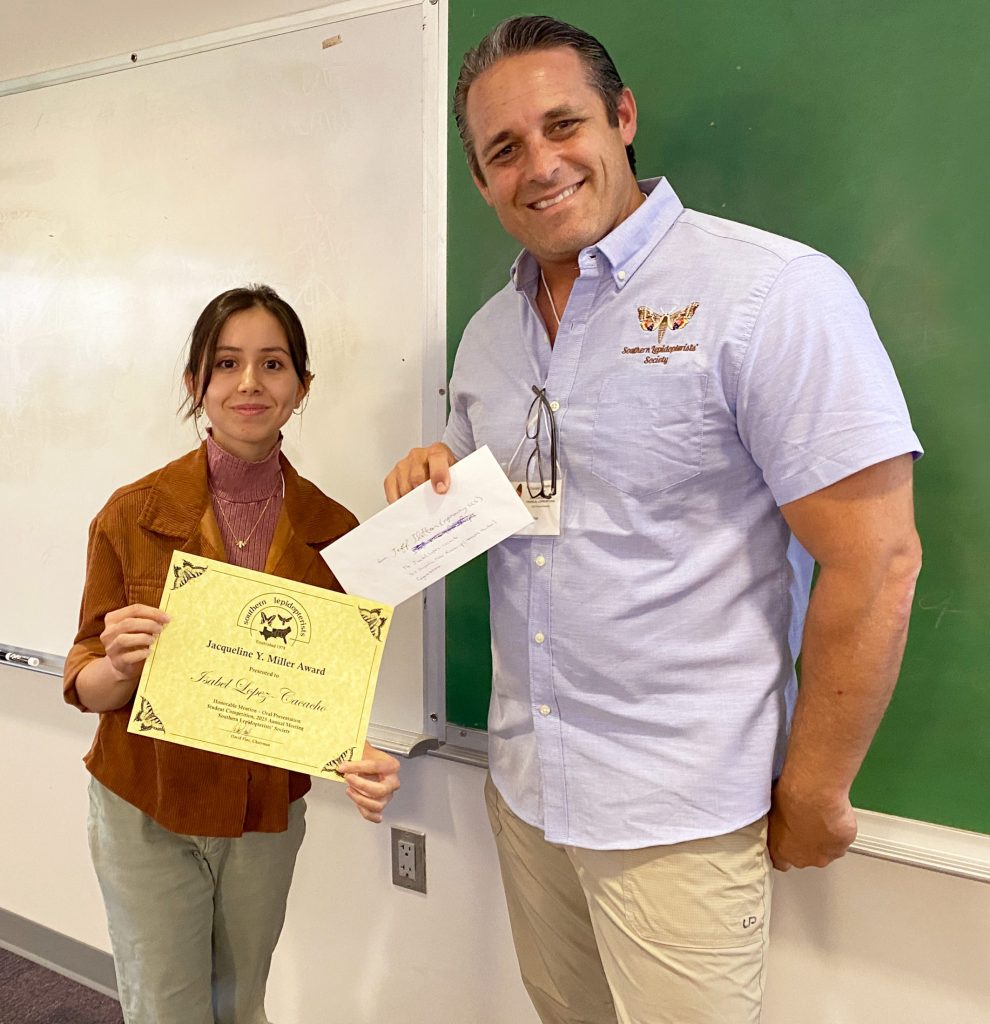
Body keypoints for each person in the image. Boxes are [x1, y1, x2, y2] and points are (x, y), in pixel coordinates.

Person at [385, 16, 922, 1024]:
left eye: (563, 124)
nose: (539, 164)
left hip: (679, 813)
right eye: (504, 149)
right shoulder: (490, 333)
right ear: (481, 180)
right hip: (527, 787)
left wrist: (814, 787)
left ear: (623, 117)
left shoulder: (771, 296)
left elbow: (879, 560)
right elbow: (499, 488)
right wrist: (438, 472)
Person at [64, 285, 401, 1024]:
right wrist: (119, 666)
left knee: (240, 1003)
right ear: (197, 384)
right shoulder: (132, 513)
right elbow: (85, 684)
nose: (250, 384)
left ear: (302, 387)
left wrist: (358, 755)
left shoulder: (334, 533)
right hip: (145, 803)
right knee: (166, 1008)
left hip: (262, 815)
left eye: (273, 364)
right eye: (227, 364)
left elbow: (324, 695)